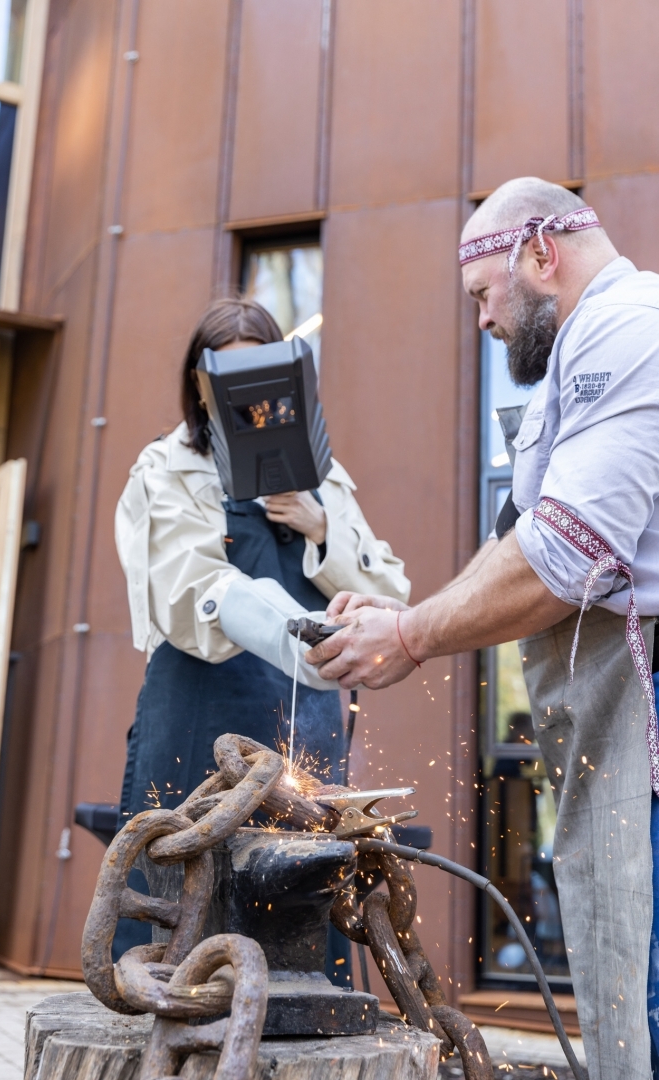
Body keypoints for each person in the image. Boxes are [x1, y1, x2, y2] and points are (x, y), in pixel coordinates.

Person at [307, 177, 659, 1079]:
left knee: (649, 988)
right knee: (627, 984)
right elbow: (514, 539)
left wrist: (414, 638)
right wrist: (398, 613)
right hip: (615, 726)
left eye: (481, 295)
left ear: (540, 253)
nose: (481, 322)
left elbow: (568, 555)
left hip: (646, 713)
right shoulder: (567, 370)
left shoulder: (630, 329)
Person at [114, 297, 410, 977]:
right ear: (199, 382)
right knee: (178, 895)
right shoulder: (165, 468)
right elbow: (183, 589)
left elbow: (392, 591)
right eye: (226, 374)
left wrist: (321, 527)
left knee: (304, 897)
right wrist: (294, 635)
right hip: (195, 707)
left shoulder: (326, 479)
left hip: (302, 719)